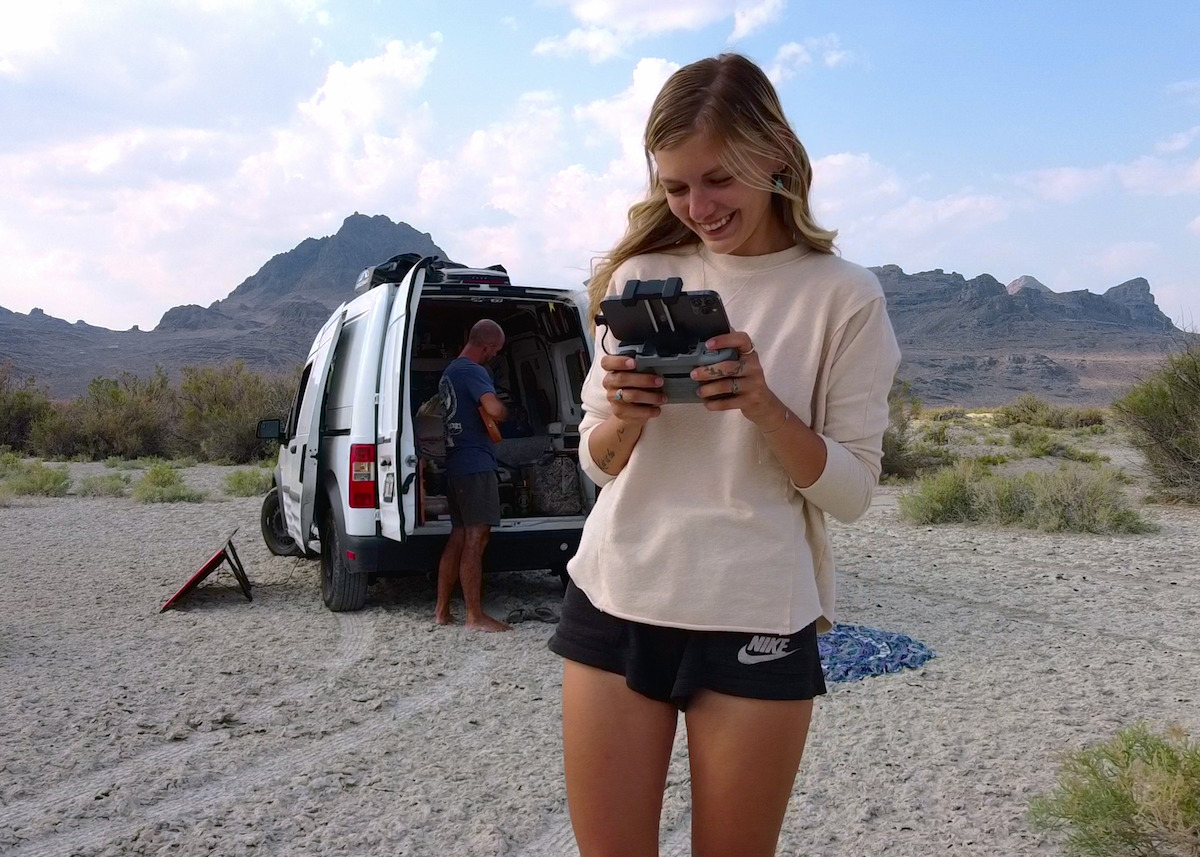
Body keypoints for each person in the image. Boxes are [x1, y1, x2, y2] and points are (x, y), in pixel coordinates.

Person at [547, 53, 901, 855]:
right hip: (615, 596)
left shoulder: (844, 295)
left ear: (774, 156)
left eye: (718, 180)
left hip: (757, 613)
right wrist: (628, 418)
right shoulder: (641, 276)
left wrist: (764, 407)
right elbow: (597, 463)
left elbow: (850, 492)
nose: (697, 207)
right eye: (675, 187)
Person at [434, 318, 511, 632]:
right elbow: (493, 410)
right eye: (496, 350)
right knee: (476, 538)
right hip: (476, 464)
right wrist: (505, 411)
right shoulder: (474, 371)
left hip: (455, 462)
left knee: (459, 536)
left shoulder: (450, 372)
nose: (494, 355)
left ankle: (442, 612)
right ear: (488, 346)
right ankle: (474, 616)